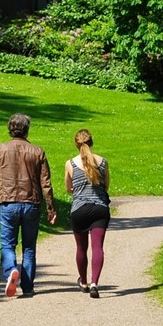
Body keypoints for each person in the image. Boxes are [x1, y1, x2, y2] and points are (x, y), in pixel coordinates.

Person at [0, 113, 58, 298]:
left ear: (10, 129)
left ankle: (11, 270)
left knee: (7, 245)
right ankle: (28, 286)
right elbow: (46, 183)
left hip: (8, 203)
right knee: (29, 247)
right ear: (26, 130)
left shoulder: (0, 150)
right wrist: (51, 208)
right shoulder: (37, 152)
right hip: (31, 203)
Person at [64, 128, 111, 299]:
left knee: (81, 248)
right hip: (99, 209)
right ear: (91, 142)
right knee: (97, 247)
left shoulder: (70, 163)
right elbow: (106, 186)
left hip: (79, 209)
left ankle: (83, 282)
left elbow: (68, 188)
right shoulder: (103, 162)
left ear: (76, 144)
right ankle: (94, 283)